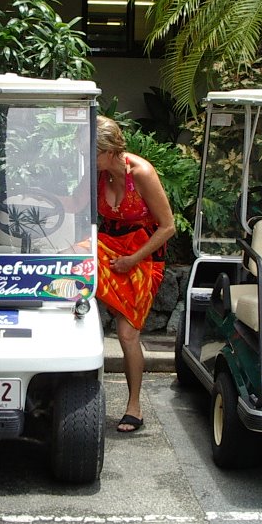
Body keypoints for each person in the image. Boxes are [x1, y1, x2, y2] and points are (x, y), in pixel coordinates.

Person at [96, 115, 176, 433]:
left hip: (143, 256)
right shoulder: (98, 174)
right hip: (109, 248)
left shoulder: (140, 172)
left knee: (127, 333)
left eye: (94, 150)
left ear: (111, 150)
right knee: (69, 279)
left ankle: (134, 406)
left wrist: (132, 260)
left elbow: (168, 227)